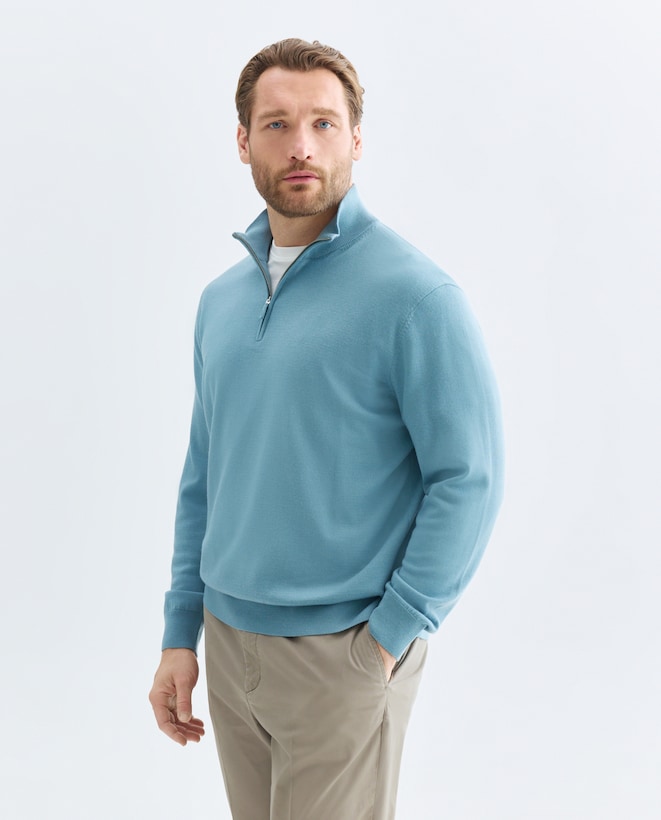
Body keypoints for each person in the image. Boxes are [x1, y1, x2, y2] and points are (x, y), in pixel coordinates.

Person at [149, 37, 504, 820]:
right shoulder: (220, 300)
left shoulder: (415, 297)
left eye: (322, 123)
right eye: (276, 124)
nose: (300, 146)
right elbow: (205, 473)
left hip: (342, 654)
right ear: (243, 141)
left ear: (355, 139)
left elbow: (467, 479)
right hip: (226, 642)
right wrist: (181, 633)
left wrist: (387, 638)